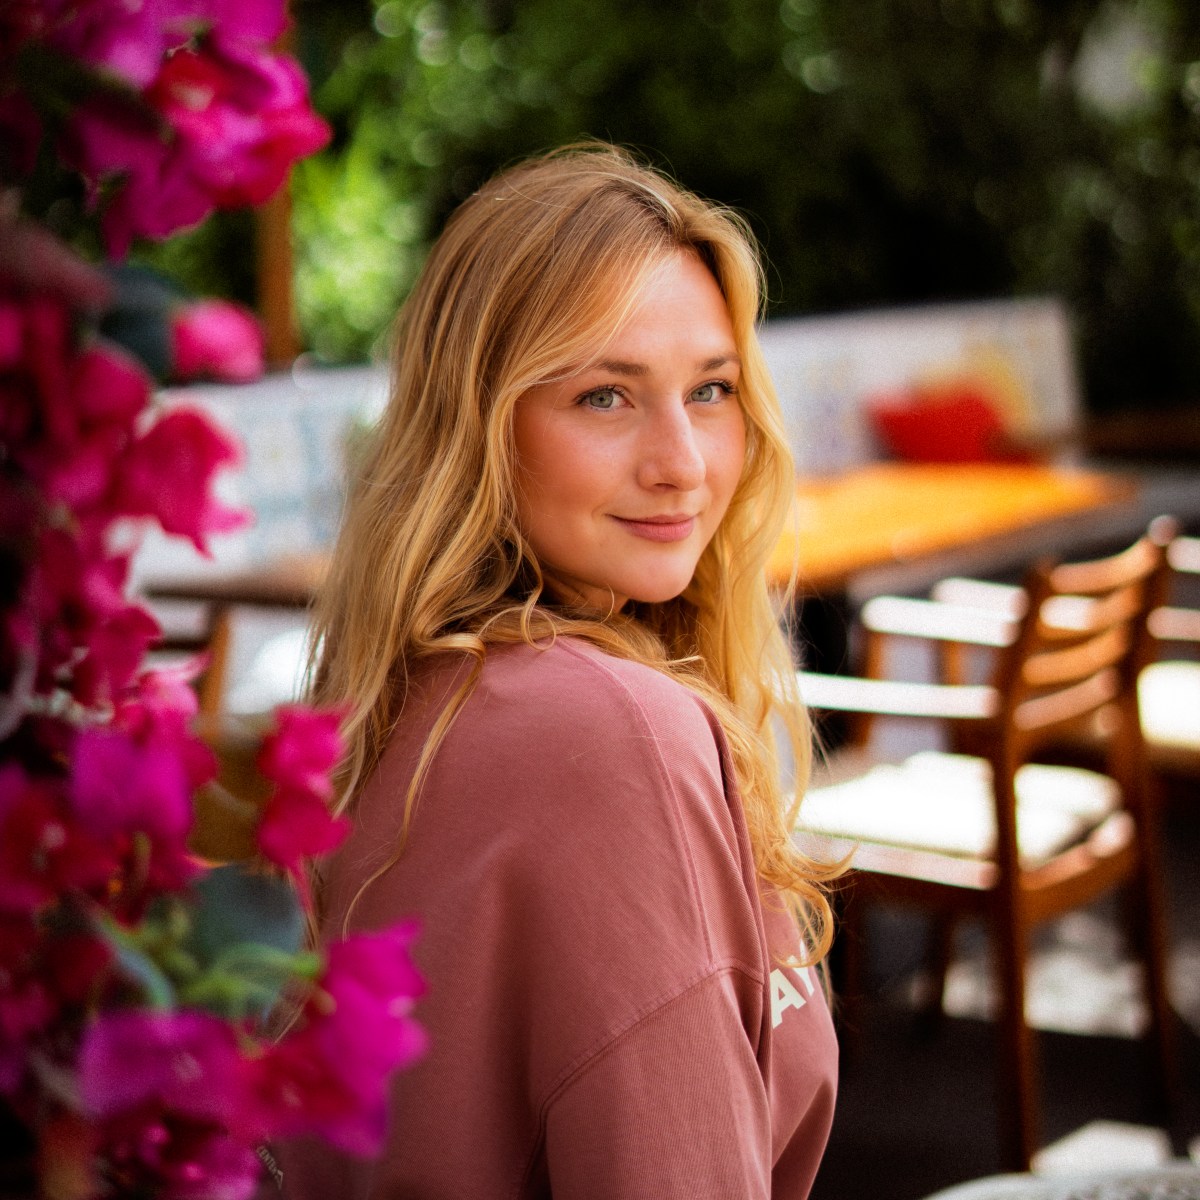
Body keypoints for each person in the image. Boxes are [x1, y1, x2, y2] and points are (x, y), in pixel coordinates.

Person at [280, 143, 841, 1199]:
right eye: (604, 397)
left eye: (711, 389)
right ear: (479, 426)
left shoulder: (410, 699)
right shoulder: (613, 733)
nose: (683, 460)